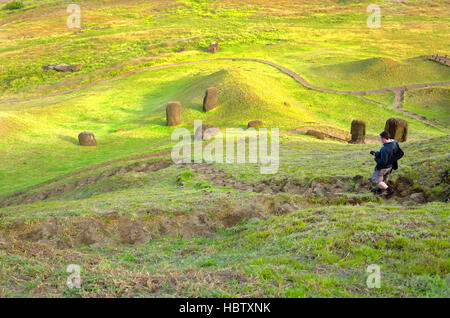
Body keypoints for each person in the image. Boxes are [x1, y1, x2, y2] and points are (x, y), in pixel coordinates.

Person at [370, 131, 400, 199]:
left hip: (383, 167)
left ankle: (390, 191)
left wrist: (375, 158)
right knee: (384, 178)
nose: (380, 140)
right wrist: (377, 154)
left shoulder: (384, 149)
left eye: (380, 138)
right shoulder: (394, 143)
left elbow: (383, 162)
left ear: (384, 138)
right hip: (390, 166)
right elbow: (389, 155)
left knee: (377, 180)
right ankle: (380, 190)